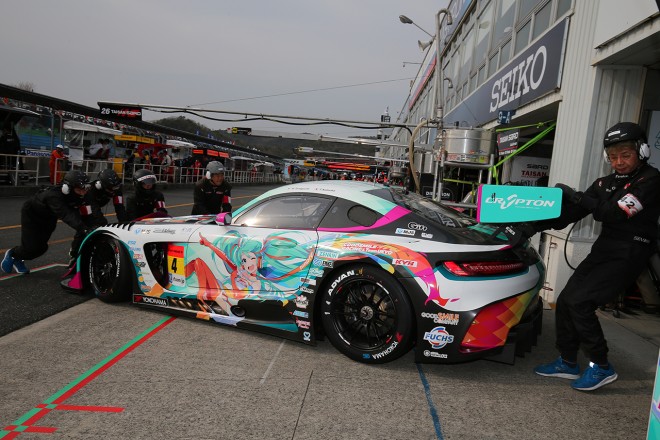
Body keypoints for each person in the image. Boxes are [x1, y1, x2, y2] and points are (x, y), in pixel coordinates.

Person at [533, 122, 660, 391]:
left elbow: (612, 213)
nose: (619, 162)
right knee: (565, 300)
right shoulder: (604, 183)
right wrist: (533, 221)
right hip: (605, 249)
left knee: (581, 302)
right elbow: (572, 213)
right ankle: (567, 361)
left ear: (642, 151)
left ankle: (601, 366)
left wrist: (579, 197)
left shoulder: (650, 179)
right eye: (613, 157)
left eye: (625, 155)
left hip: (631, 252)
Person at [1, 170, 92, 274]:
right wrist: (84, 228)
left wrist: (93, 225)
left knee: (42, 248)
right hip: (32, 215)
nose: (83, 192)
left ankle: (19, 258)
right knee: (31, 247)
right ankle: (13, 254)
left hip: (49, 217)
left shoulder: (82, 194)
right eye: (79, 190)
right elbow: (66, 214)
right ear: (67, 188)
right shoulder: (53, 196)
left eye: (85, 188)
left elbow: (88, 210)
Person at [68, 169, 128, 265]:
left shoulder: (116, 189)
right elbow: (95, 211)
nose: (112, 191)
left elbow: (119, 207)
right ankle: (74, 253)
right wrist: (102, 225)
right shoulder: (90, 190)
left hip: (96, 205)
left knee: (104, 224)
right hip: (83, 204)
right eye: (109, 189)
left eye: (115, 187)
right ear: (100, 185)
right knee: (85, 226)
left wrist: (125, 224)